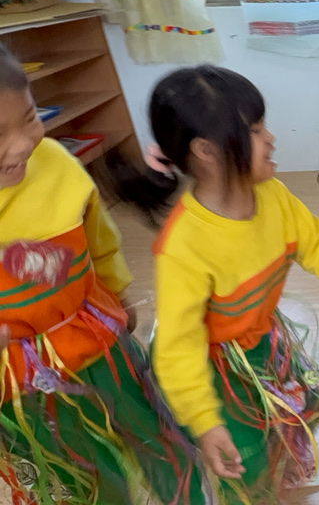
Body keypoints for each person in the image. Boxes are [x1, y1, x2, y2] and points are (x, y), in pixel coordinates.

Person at [114, 65, 319, 503]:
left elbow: (317, 246)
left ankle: (288, 467)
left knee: (292, 413)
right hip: (211, 368)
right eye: (254, 130)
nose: (270, 138)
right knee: (243, 459)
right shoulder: (183, 247)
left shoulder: (273, 196)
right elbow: (179, 349)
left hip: (260, 342)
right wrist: (206, 423)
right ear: (206, 150)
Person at [0, 44, 208, 504]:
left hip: (96, 338)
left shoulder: (56, 163)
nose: (22, 144)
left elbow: (99, 241)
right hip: (16, 381)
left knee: (153, 432)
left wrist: (118, 293)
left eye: (30, 117)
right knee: (70, 471)